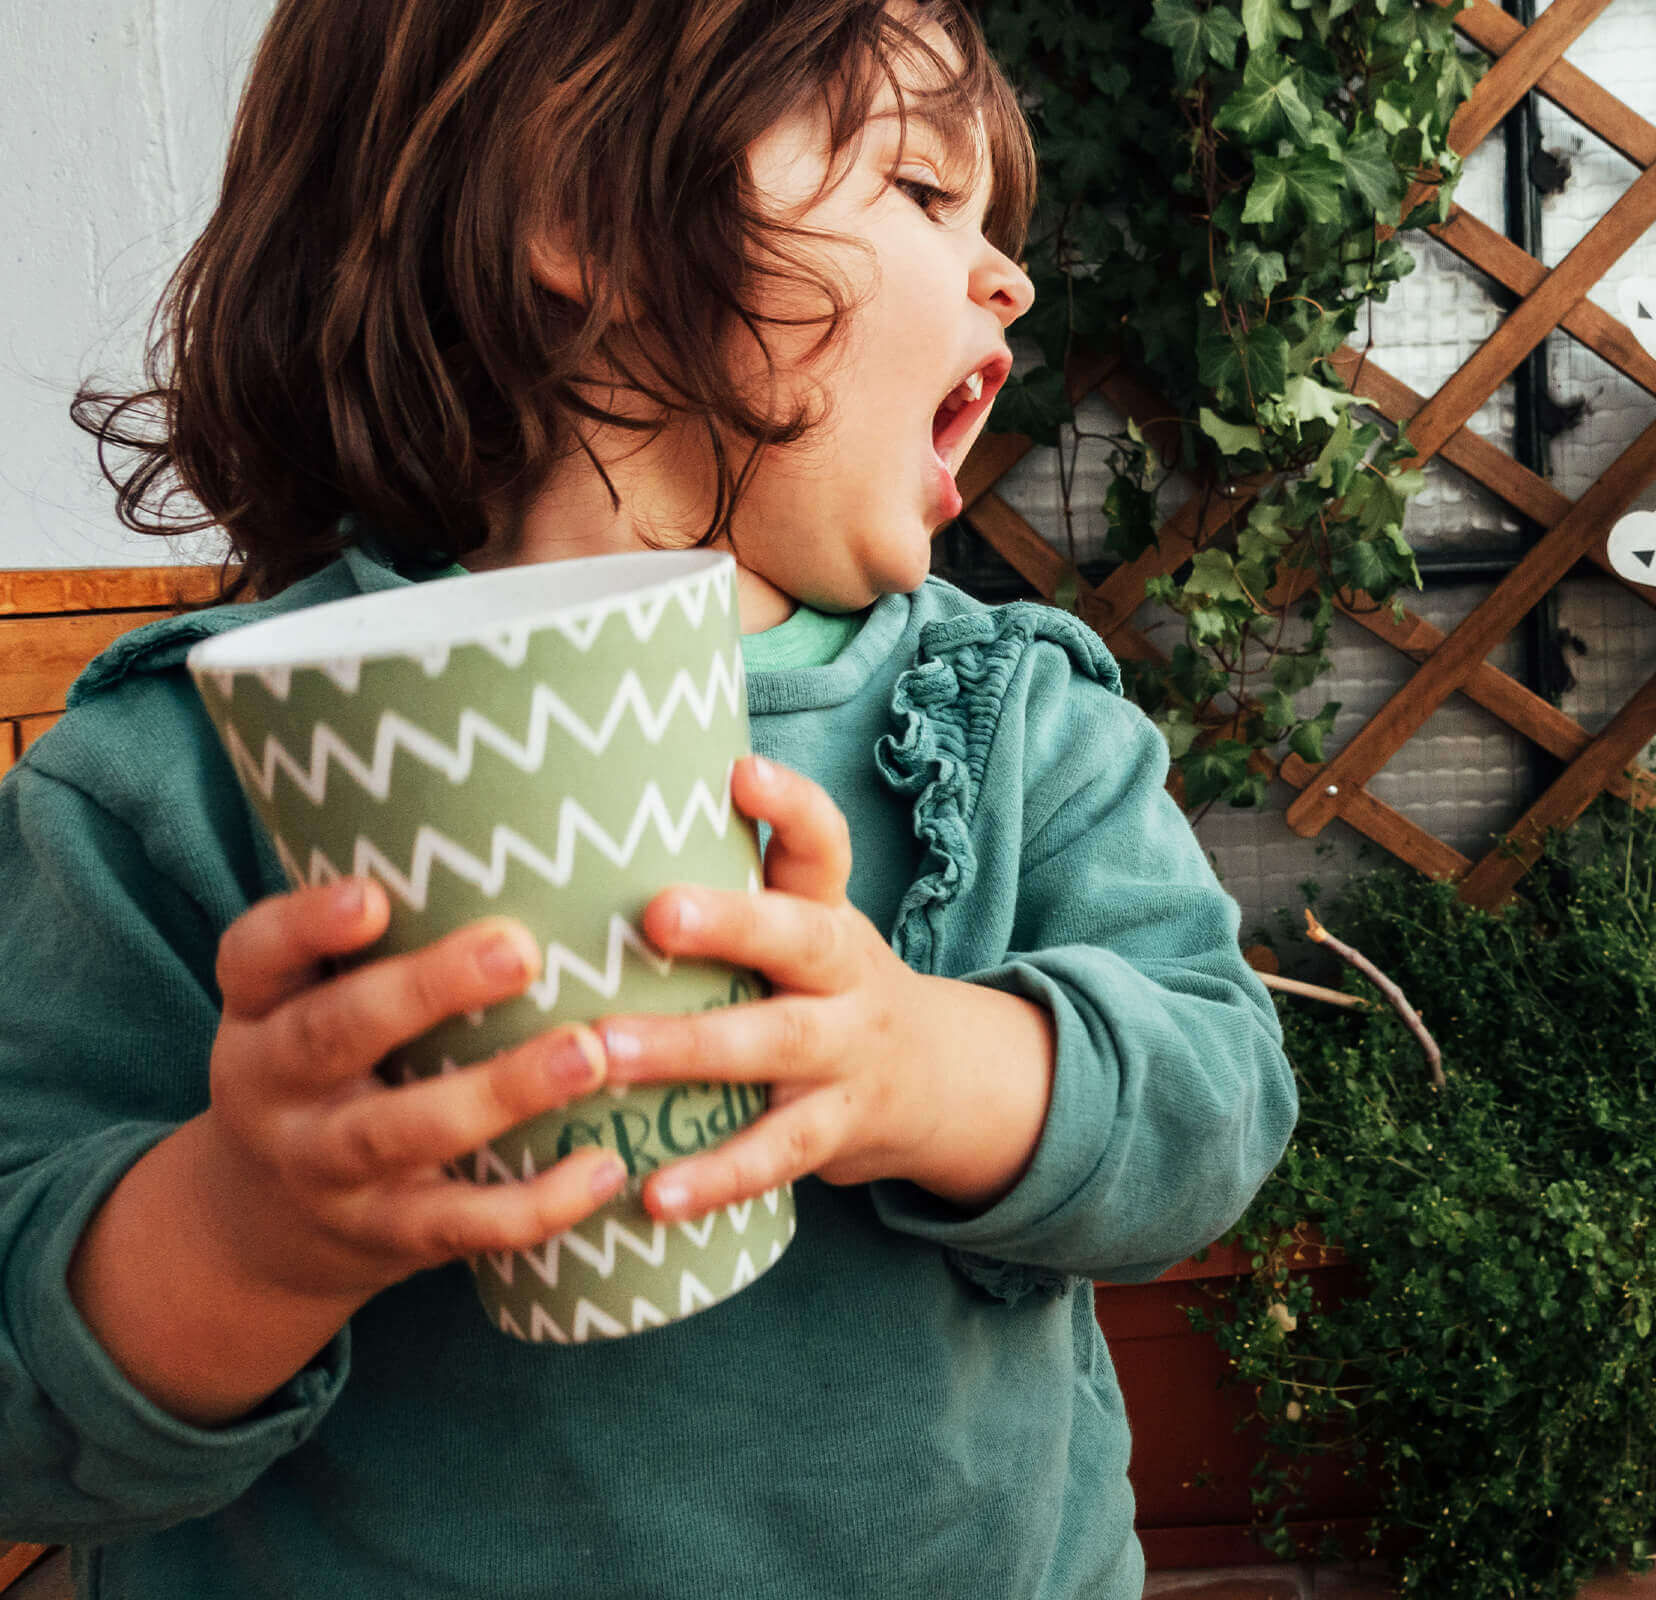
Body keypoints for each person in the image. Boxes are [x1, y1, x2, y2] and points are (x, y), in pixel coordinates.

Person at [0, 2, 1294, 1595]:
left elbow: (1219, 1102)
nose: (1009, 272)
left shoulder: (1006, 715)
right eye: (915, 188)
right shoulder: (185, 773)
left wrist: (917, 1064)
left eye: (995, 220)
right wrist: (249, 1232)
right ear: (586, 217)